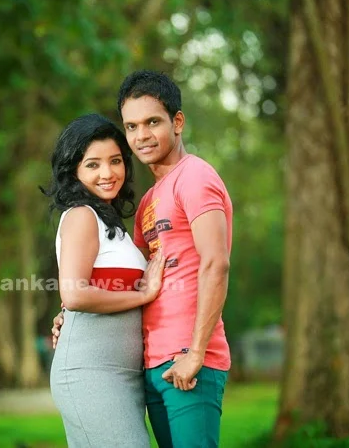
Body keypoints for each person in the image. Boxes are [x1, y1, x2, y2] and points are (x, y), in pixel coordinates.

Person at [52, 71, 233, 447]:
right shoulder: (149, 201)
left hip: (187, 358)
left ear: (177, 122)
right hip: (151, 364)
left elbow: (215, 264)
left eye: (152, 122)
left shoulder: (196, 178)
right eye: (132, 126)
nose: (142, 135)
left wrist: (196, 352)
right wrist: (70, 314)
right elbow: (138, 281)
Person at [40, 113, 167, 447]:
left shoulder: (109, 223)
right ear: (74, 171)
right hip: (91, 373)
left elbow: (86, 291)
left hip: (122, 376)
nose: (108, 173)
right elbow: (75, 295)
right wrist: (143, 295)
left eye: (115, 161)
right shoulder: (82, 215)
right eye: (93, 165)